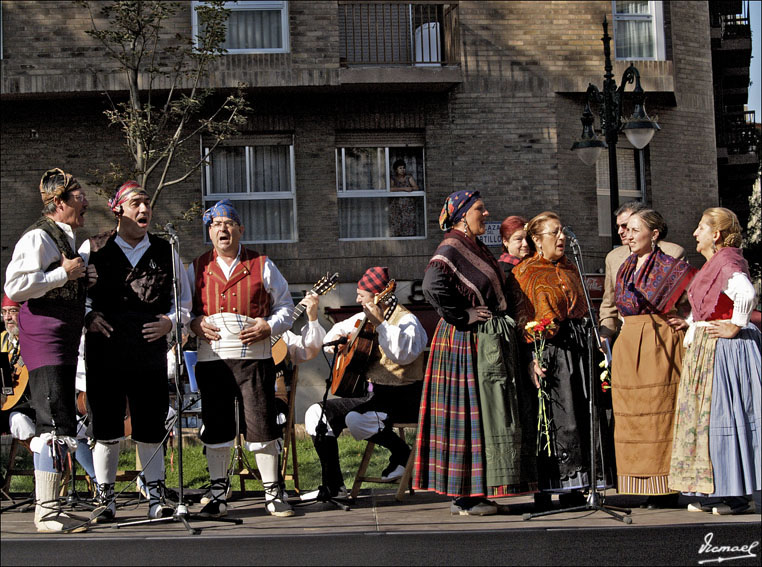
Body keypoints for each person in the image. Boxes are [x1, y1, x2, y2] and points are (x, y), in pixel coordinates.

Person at [79, 180, 191, 523]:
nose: (144, 210)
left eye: (147, 203)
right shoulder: (93, 248)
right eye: (136, 204)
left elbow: (184, 302)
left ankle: (156, 496)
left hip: (148, 353)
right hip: (105, 352)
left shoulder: (165, 250)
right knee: (106, 427)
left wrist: (171, 323)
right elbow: (75, 295)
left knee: (150, 424)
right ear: (118, 210)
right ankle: (105, 498)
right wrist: (89, 316)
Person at [415, 191, 524, 516]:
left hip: (475, 340)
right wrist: (463, 315)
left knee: (476, 416)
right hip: (463, 341)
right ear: (462, 214)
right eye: (479, 209)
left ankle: (471, 494)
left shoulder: (472, 245)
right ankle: (466, 498)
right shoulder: (452, 246)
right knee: (467, 416)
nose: (486, 213)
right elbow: (432, 284)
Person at [188, 199, 295, 518]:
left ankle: (273, 492)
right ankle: (218, 491)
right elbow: (182, 311)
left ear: (240, 230)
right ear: (209, 232)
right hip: (213, 361)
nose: (222, 228)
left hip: (256, 361)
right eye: (216, 224)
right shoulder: (195, 268)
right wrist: (194, 323)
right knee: (216, 428)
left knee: (262, 425)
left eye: (229, 223)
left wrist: (269, 325)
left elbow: (286, 307)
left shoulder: (262, 264)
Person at [4, 168, 93, 533]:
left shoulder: (64, 238)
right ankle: (46, 512)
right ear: (59, 202)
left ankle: (53, 507)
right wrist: (64, 274)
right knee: (52, 420)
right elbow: (16, 284)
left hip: (63, 336)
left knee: (61, 417)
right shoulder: (39, 236)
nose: (85, 201)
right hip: (45, 337)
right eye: (79, 195)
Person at [513, 211, 612, 510]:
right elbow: (521, 319)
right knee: (555, 418)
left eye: (562, 232)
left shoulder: (572, 269)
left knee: (583, 413)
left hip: (579, 350)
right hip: (549, 351)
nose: (562, 237)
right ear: (536, 240)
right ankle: (549, 485)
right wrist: (532, 357)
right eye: (554, 233)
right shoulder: (525, 273)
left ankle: (579, 485)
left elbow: (584, 309)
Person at [303, 267, 427, 501]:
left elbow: (403, 355)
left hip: (404, 397)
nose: (357, 298)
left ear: (379, 296)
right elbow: (335, 333)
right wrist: (339, 346)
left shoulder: (408, 321)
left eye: (362, 294)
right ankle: (334, 486)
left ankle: (402, 454)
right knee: (315, 414)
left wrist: (380, 323)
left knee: (355, 418)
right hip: (372, 395)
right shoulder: (362, 319)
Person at [669, 207, 761, 515]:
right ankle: (715, 491)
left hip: (725, 352)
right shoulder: (713, 264)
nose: (695, 233)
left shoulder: (727, 259)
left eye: (700, 228)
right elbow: (706, 305)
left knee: (724, 418)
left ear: (716, 235)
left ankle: (735, 496)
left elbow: (746, 294)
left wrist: (735, 324)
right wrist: (692, 324)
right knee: (705, 421)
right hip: (708, 348)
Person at [611, 209, 696, 508]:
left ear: (655, 234)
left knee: (660, 414)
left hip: (659, 344)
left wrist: (688, 321)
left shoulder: (672, 267)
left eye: (635, 230)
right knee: (634, 418)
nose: (628, 235)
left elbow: (697, 301)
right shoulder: (625, 267)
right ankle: (641, 482)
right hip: (629, 343)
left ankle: (667, 486)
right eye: (626, 230)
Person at [599, 201, 686, 345]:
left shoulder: (672, 255)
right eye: (618, 226)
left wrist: (688, 322)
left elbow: (687, 301)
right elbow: (609, 303)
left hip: (661, 337)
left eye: (626, 226)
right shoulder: (614, 258)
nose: (621, 231)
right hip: (626, 335)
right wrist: (606, 333)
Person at [389, 159, 419, 238]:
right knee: (397, 222)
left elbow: (416, 187)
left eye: (403, 168)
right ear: (396, 169)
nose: (402, 170)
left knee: (408, 221)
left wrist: (411, 188)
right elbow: (390, 189)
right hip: (396, 205)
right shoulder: (393, 178)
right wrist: (404, 189)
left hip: (408, 205)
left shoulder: (408, 177)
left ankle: (409, 237)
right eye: (400, 168)